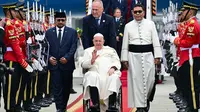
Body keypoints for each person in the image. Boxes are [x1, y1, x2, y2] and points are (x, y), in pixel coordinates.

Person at [121, 3, 162, 112]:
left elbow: (155, 40)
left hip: (148, 55)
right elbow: (125, 44)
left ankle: (147, 99)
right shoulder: (128, 26)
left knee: (150, 80)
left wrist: (157, 56)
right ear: (132, 13)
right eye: (135, 12)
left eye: (140, 11)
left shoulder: (151, 24)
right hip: (133, 57)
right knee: (136, 82)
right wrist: (124, 59)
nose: (138, 14)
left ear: (144, 12)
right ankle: (140, 107)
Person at [45, 11, 78, 112]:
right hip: (54, 65)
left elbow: (73, 47)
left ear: (65, 20)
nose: (60, 22)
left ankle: (63, 106)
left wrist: (67, 57)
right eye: (58, 20)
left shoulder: (72, 32)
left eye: (62, 20)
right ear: (55, 20)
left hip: (67, 65)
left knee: (66, 87)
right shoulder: (49, 32)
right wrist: (49, 57)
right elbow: (45, 48)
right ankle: (59, 108)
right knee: (56, 88)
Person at [171, 1, 200, 112]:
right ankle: (189, 105)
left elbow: (187, 43)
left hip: (191, 56)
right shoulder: (188, 23)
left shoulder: (192, 24)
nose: (182, 13)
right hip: (186, 56)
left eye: (185, 10)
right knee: (187, 83)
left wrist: (176, 40)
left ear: (191, 11)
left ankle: (193, 107)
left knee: (192, 85)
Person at [81, 33, 121, 112]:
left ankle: (111, 105)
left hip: (108, 73)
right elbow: (83, 64)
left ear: (103, 41)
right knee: (91, 76)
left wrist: (113, 68)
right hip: (94, 73)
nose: (98, 43)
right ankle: (95, 104)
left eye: (100, 41)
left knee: (114, 77)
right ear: (93, 41)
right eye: (96, 41)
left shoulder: (110, 50)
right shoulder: (88, 51)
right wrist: (91, 61)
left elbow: (117, 61)